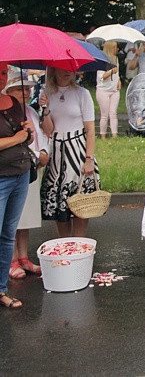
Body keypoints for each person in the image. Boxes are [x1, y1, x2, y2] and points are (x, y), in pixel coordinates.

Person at [40, 67, 99, 238]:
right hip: (57, 151)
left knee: (81, 203)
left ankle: (80, 245)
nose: (67, 72)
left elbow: (90, 130)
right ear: (53, 71)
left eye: (70, 69)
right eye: (62, 68)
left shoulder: (82, 94)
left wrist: (89, 158)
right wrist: (45, 109)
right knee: (60, 205)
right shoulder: (48, 94)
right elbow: (48, 129)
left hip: (78, 150)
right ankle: (64, 244)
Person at [4, 72, 48, 280]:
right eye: (21, 89)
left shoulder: (30, 111)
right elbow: (17, 140)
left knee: (27, 215)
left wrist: (44, 152)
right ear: (9, 92)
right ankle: (10, 259)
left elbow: (41, 135)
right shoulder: (8, 113)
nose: (26, 93)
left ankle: (23, 256)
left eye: (28, 89)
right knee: (12, 218)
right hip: (12, 168)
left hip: (30, 168)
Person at [0, 65, 35, 309]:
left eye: (3, 73)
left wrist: (29, 133)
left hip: (20, 174)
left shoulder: (12, 102)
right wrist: (17, 139)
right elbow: (14, 139)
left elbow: (25, 136)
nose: (0, 78)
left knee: (7, 235)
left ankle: (1, 289)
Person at [96, 41, 121, 139]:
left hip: (114, 90)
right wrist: (111, 72)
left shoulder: (116, 59)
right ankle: (103, 136)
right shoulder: (102, 61)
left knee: (113, 113)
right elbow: (101, 77)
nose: (117, 49)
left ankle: (115, 135)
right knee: (104, 115)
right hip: (103, 90)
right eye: (115, 47)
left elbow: (117, 74)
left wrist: (118, 81)